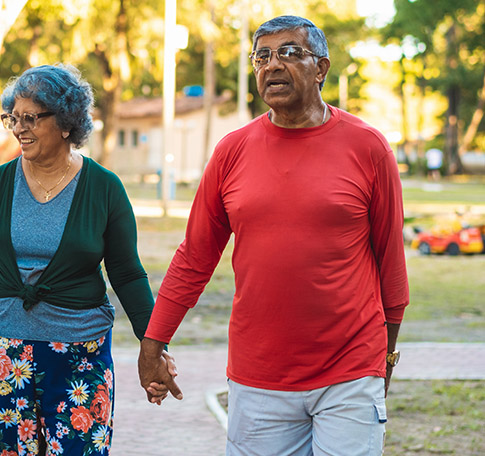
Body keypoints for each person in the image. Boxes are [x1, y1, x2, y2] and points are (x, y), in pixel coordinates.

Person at [138, 16, 409, 455]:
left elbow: (390, 263)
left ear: (321, 68)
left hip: (350, 369)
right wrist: (154, 342)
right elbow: (194, 257)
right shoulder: (232, 150)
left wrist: (385, 359)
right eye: (261, 56)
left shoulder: (369, 147)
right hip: (258, 376)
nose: (272, 65)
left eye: (289, 53)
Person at [0, 63, 172, 456]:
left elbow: (127, 274)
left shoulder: (104, 188)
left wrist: (154, 346)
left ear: (66, 122)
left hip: (80, 353)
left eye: (31, 118)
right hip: (2, 351)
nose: (19, 128)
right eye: (12, 118)